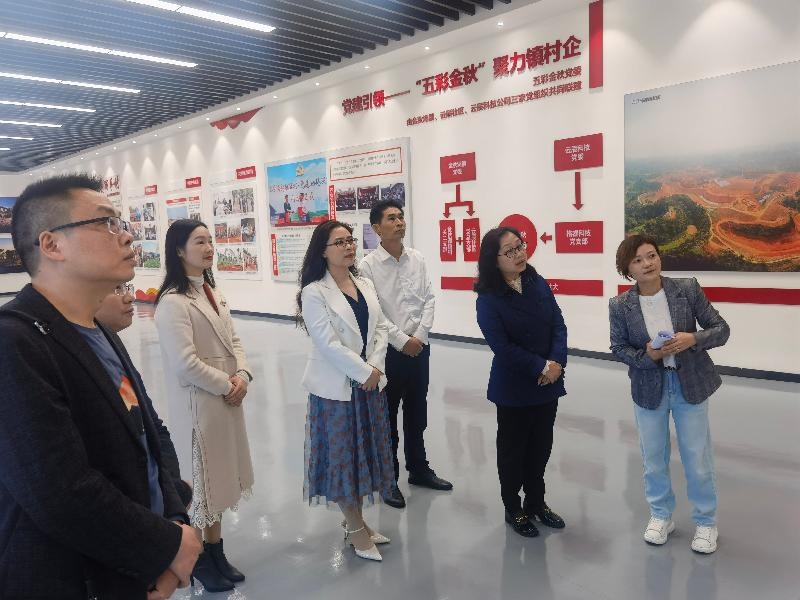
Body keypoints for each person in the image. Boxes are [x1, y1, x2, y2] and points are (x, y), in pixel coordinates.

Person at [0, 174, 200, 600]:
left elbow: (151, 435)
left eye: (121, 222)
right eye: (106, 223)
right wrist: (164, 546)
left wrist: (176, 521)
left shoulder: (99, 329)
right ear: (52, 245)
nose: (126, 235)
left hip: (134, 567)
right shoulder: (14, 343)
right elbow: (59, 491)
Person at [609, 234, 730, 554]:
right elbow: (618, 348)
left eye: (651, 255)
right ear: (627, 269)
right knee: (653, 458)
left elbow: (721, 330)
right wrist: (648, 355)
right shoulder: (620, 305)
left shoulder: (686, 289)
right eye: (637, 260)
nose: (647, 264)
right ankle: (661, 515)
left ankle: (706, 521)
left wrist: (693, 339)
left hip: (689, 383)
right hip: (649, 387)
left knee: (697, 458)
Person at [154, 219, 254, 592]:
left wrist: (243, 374)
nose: (209, 247)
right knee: (201, 487)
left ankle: (216, 551)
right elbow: (185, 363)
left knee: (220, 483)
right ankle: (197, 562)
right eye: (199, 241)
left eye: (210, 240)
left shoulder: (211, 291)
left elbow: (234, 341)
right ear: (179, 250)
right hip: (200, 406)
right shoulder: (172, 302)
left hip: (225, 400)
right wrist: (227, 384)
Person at [297, 220, 395, 562]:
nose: (349, 246)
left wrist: (376, 367)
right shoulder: (314, 292)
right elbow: (327, 344)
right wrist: (364, 371)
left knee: (362, 456)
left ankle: (358, 522)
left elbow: (380, 329)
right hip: (337, 391)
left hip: (368, 386)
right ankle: (355, 530)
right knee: (343, 460)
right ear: (323, 251)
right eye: (339, 242)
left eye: (350, 240)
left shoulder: (363, 283)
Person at [359, 200, 453, 509]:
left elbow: (429, 299)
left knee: (417, 413)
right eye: (391, 218)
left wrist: (420, 337)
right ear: (377, 228)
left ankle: (419, 469)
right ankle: (388, 479)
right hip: (389, 352)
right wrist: (402, 341)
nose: (399, 222)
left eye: (400, 217)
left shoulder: (417, 258)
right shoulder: (367, 266)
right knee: (387, 417)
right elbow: (375, 312)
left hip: (419, 348)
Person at [475, 226, 567, 538]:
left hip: (548, 382)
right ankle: (513, 507)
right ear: (494, 259)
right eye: (510, 251)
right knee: (513, 451)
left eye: (520, 246)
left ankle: (537, 503)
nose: (519, 254)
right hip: (515, 386)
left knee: (541, 448)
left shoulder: (536, 281)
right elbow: (502, 347)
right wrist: (541, 366)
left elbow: (558, 324)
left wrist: (556, 363)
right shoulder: (488, 299)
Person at [95, 282, 193, 508]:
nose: (129, 297)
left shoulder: (111, 342)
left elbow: (152, 426)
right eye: (116, 288)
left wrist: (172, 495)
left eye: (126, 287)